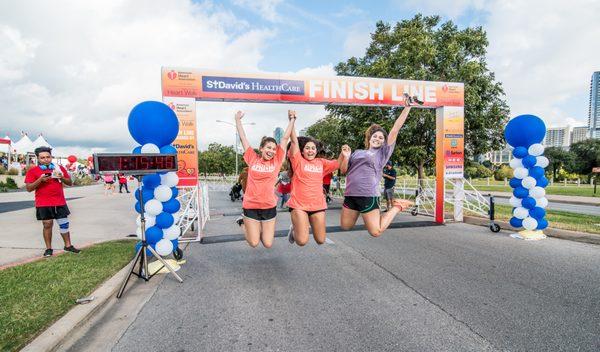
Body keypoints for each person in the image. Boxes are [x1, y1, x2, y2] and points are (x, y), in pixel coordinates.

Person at [340, 95, 417, 237]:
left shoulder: (382, 153)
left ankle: (397, 206)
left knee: (375, 231)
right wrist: (345, 157)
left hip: (368, 195)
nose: (377, 139)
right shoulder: (357, 152)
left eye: (381, 138)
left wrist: (407, 107)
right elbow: (344, 170)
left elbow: (395, 130)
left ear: (384, 142)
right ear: (370, 138)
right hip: (351, 194)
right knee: (345, 226)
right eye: (375, 136)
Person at [287, 111, 351, 246]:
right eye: (307, 148)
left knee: (320, 240)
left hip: (317, 205)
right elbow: (293, 141)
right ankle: (295, 230)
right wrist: (292, 120)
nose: (310, 150)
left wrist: (343, 154)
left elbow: (337, 164)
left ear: (316, 151)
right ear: (302, 151)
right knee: (302, 241)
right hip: (299, 205)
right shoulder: (298, 161)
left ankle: (300, 227)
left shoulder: (321, 163)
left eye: (313, 148)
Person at [235, 110, 294, 248]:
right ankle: (242, 222)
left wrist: (292, 120)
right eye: (268, 147)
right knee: (254, 243)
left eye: (274, 149)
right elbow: (243, 139)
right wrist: (237, 120)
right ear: (261, 148)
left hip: (269, 206)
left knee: (267, 243)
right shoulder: (252, 159)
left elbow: (285, 139)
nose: (272, 151)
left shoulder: (277, 161)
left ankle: (252, 227)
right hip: (251, 205)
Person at [25, 146, 80, 257]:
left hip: (59, 201)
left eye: (48, 157)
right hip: (43, 203)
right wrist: (40, 180)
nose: (46, 159)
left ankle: (68, 246)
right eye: (42, 157)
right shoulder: (33, 171)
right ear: (38, 159)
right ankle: (49, 249)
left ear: (51, 157)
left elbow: (69, 183)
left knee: (64, 224)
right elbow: (29, 188)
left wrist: (61, 177)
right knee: (47, 225)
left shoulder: (58, 168)